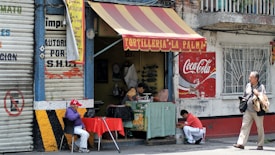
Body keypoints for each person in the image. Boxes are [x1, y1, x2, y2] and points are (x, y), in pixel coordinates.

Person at [233, 71, 266, 150]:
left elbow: (264, 97)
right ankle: (241, 143)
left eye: (251, 77)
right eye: (249, 77)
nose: (249, 79)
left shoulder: (261, 86)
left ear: (256, 79)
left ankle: (260, 144)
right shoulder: (248, 85)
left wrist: (257, 93)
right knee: (244, 126)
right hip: (248, 110)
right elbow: (245, 95)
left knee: (259, 127)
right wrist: (242, 105)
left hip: (258, 110)